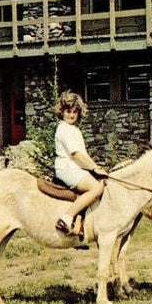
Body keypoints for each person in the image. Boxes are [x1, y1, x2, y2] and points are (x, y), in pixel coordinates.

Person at [53, 90, 106, 245]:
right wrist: (94, 168)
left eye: (75, 112)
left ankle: (84, 226)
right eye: (68, 111)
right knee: (96, 188)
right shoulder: (63, 129)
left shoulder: (74, 130)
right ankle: (66, 218)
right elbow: (76, 155)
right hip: (67, 168)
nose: (71, 115)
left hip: (76, 168)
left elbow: (84, 155)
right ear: (61, 112)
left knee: (101, 182)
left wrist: (95, 167)